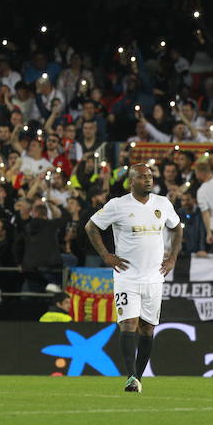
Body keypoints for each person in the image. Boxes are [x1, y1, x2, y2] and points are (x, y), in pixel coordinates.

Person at [85, 164, 182, 393]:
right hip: (126, 277)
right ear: (131, 182)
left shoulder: (162, 203)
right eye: (142, 177)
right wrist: (106, 255)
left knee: (147, 328)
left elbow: (178, 228)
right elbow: (91, 227)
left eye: (149, 176)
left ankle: (138, 377)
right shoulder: (118, 205)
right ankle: (130, 376)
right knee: (129, 324)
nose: (148, 180)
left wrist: (173, 259)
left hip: (154, 277)